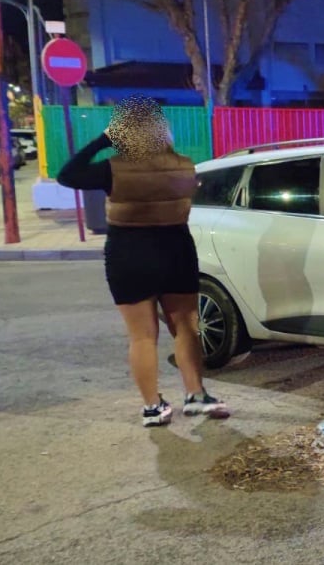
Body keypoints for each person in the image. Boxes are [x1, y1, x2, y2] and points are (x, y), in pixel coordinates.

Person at [57, 95, 229, 427]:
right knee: (186, 328)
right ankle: (196, 395)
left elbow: (68, 175)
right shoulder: (184, 164)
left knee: (142, 336)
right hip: (176, 250)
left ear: (124, 132)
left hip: (128, 254)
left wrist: (103, 140)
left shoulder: (113, 169)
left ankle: (153, 407)